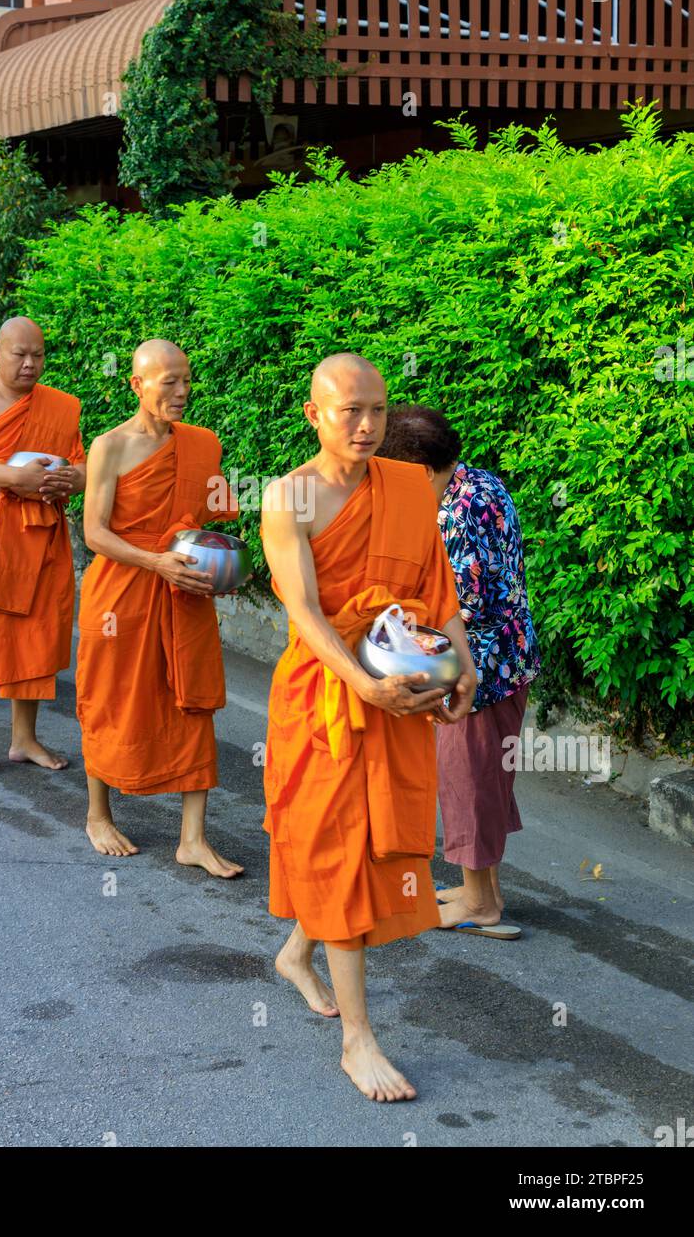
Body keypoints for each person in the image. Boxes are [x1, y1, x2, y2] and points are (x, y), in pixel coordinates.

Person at [261, 354, 477, 1102]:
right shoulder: (288, 498)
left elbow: (435, 590)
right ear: (312, 413)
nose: (365, 425)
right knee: (336, 850)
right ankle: (358, 1039)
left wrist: (464, 664)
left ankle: (297, 952)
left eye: (378, 411)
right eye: (349, 410)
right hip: (327, 700)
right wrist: (363, 685)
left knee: (364, 852)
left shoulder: (410, 487)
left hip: (402, 686)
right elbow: (306, 614)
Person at [76, 339, 244, 878]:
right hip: (123, 592)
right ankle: (98, 813)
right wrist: (156, 561)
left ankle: (192, 838)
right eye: (168, 381)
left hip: (183, 592)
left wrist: (220, 567)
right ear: (137, 385)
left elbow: (207, 522)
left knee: (192, 702)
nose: (181, 391)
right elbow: (94, 533)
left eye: (186, 380)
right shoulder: (110, 446)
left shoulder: (202, 443)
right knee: (110, 697)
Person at [377, 405, 541, 940]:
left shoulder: (454, 516)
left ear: (421, 471)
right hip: (510, 656)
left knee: (468, 781)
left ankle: (479, 903)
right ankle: (484, 890)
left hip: (477, 667)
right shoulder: (480, 483)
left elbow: (459, 609)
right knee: (485, 779)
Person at [0, 316, 86, 772]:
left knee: (37, 635)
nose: (29, 364)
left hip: (41, 533)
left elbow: (83, 466)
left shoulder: (61, 406)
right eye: (19, 354)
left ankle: (24, 739)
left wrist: (72, 479)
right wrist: (16, 478)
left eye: (37, 355)